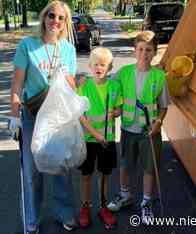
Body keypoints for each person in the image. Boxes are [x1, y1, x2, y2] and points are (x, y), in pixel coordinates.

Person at [8, 1, 77, 233]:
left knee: (61, 166)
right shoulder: (27, 45)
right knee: (31, 172)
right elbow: (17, 83)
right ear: (43, 17)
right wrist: (14, 115)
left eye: (60, 18)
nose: (55, 21)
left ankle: (64, 213)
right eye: (51, 15)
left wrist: (66, 78)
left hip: (58, 117)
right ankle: (31, 220)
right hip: (32, 115)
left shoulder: (68, 49)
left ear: (65, 22)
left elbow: (72, 86)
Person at [107, 31, 170, 224]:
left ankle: (146, 202)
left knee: (149, 168)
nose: (144, 53)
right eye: (141, 49)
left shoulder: (159, 76)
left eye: (149, 50)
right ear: (134, 51)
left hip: (149, 132)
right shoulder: (123, 73)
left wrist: (158, 123)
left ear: (154, 53)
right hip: (127, 129)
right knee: (125, 164)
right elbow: (107, 87)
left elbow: (164, 106)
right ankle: (125, 196)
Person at [76, 47, 122, 229]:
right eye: (95, 64)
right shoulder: (84, 86)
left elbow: (118, 109)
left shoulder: (114, 87)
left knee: (104, 174)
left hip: (108, 139)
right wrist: (96, 135)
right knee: (86, 174)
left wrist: (116, 112)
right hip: (89, 139)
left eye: (103, 64)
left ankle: (103, 207)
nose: (99, 67)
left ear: (109, 67)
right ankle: (85, 207)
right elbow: (81, 116)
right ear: (89, 66)